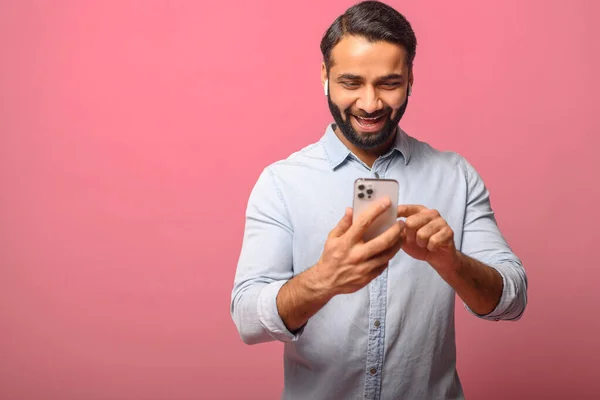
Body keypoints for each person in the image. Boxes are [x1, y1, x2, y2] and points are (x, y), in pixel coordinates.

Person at [230, 1, 528, 399]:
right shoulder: (281, 183)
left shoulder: (455, 176)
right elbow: (247, 318)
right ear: (325, 75)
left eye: (389, 84)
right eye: (351, 83)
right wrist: (324, 279)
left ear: (410, 78)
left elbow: (513, 298)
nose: (370, 104)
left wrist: (451, 262)